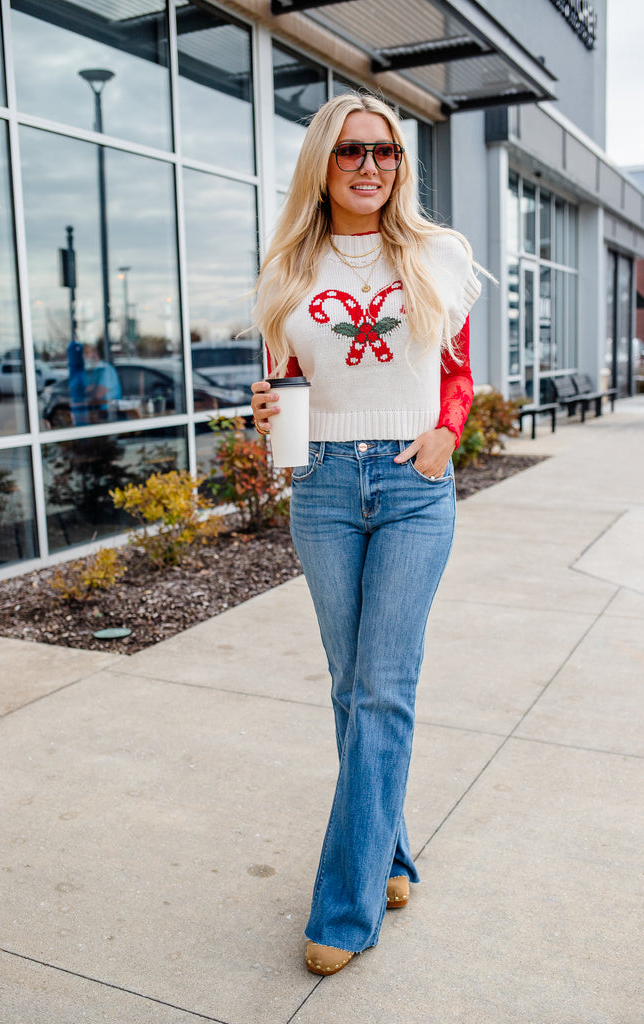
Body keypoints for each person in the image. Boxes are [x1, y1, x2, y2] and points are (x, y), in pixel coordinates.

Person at [250, 92, 482, 976]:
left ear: (400, 163)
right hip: (322, 487)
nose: (369, 167)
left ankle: (343, 908)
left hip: (414, 485)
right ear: (323, 162)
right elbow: (282, 389)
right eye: (350, 152)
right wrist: (266, 412)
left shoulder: (436, 254)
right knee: (351, 688)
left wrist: (443, 436)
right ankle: (386, 849)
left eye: (384, 152)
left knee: (383, 687)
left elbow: (455, 371)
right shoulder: (286, 271)